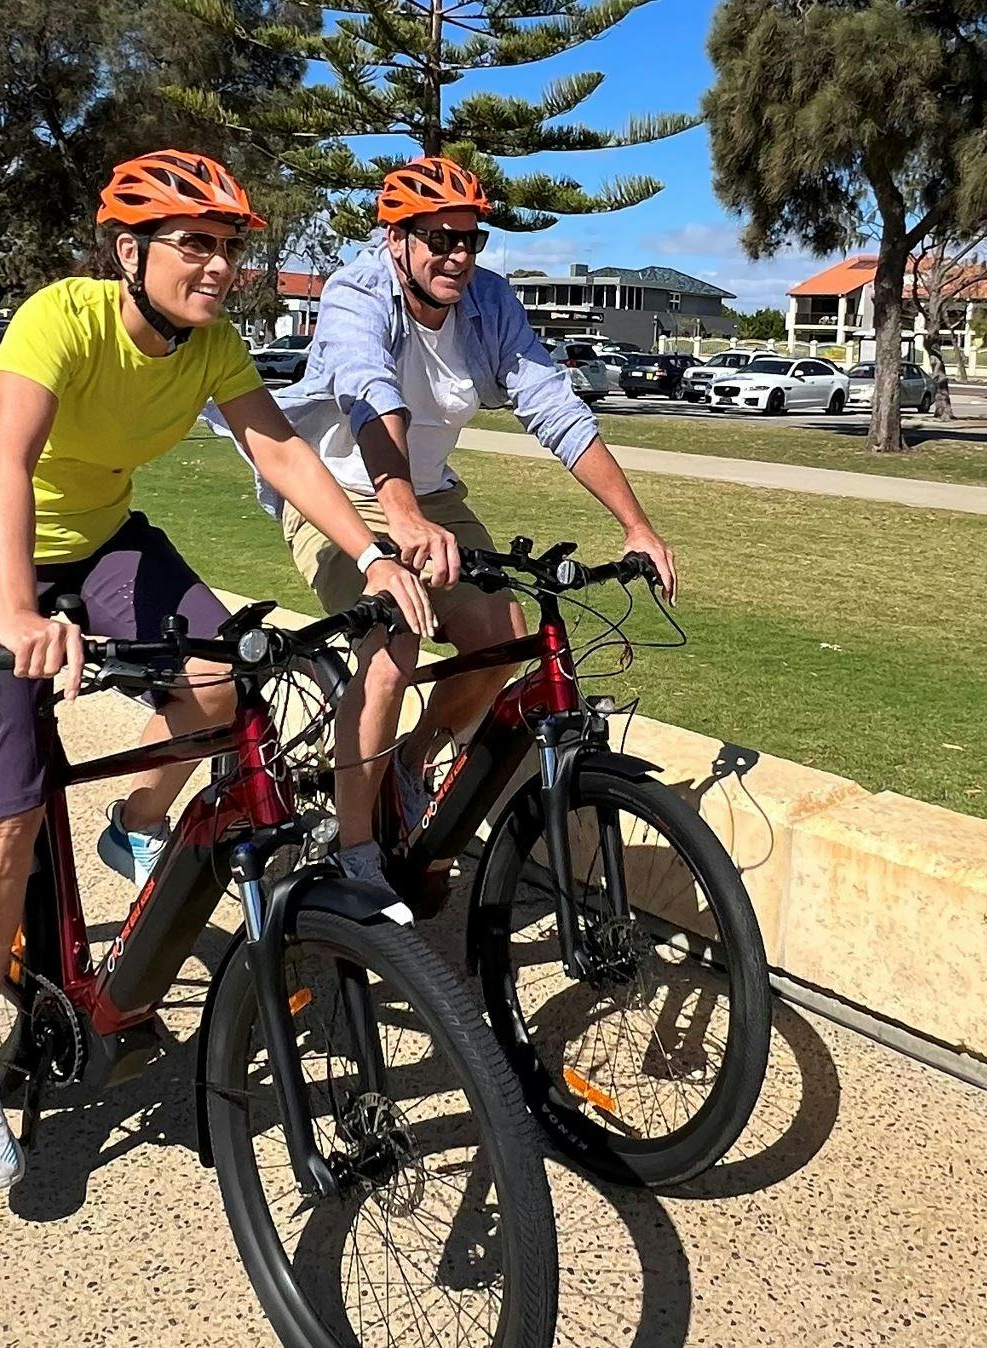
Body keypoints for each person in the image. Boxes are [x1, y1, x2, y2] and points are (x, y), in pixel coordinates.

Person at [0, 149, 432, 1195]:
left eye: (231, 248)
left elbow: (281, 452)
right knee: (1, 820)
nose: (219, 265)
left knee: (221, 683)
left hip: (103, 541)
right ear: (129, 250)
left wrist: (373, 555)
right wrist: (14, 608)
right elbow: (6, 459)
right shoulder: (66, 316)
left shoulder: (213, 346)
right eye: (196, 243)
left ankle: (137, 822)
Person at [243, 156, 678, 891]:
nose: (459, 256)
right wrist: (401, 519)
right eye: (441, 238)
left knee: (504, 640)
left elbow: (554, 408)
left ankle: (409, 769)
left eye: (472, 240)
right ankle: (356, 859)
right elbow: (369, 395)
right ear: (396, 238)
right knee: (391, 645)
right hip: (338, 492)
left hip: (432, 494)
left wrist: (637, 525)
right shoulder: (357, 292)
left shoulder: (490, 303)